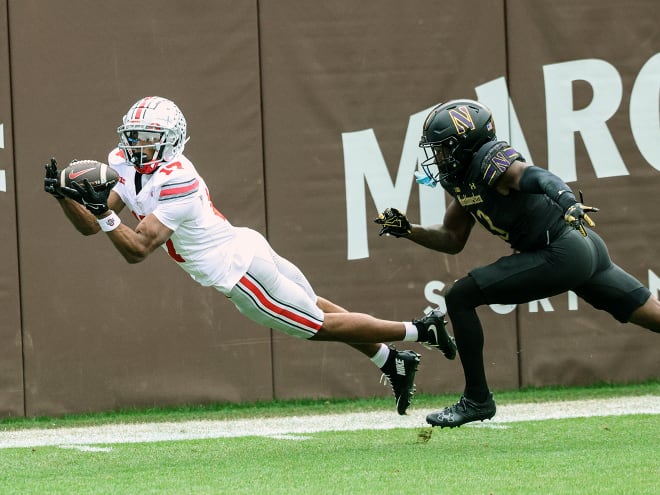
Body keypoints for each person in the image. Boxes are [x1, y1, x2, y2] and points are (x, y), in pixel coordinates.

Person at [44, 96, 458, 416]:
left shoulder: (178, 179)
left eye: (147, 138)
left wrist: (100, 213)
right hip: (242, 246)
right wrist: (66, 197)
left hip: (239, 272)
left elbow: (136, 249)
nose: (136, 145)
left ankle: (422, 330)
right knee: (317, 309)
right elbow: (90, 225)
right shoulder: (123, 162)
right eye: (133, 136)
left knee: (318, 326)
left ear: (170, 141)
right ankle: (392, 363)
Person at [375, 98, 660, 427]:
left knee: (459, 296)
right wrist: (409, 231)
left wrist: (567, 200)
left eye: (443, 148)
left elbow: (534, 175)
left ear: (466, 144)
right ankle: (477, 399)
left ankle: (477, 399)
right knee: (653, 316)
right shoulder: (464, 179)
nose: (438, 157)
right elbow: (452, 239)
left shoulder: (489, 159)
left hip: (561, 250)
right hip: (582, 250)